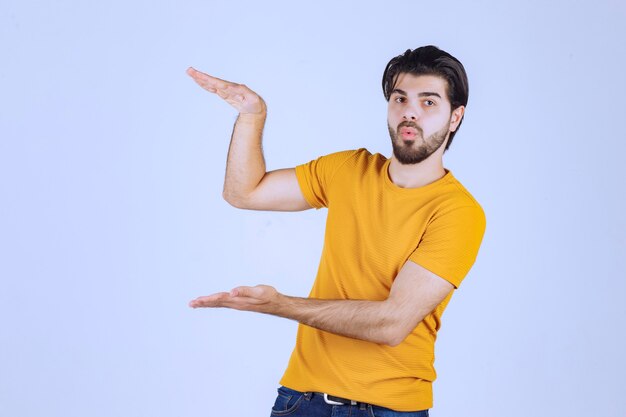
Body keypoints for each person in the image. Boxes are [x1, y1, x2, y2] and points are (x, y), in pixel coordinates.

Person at [187, 45, 486, 417]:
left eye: (428, 103)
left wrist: (280, 305)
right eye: (399, 98)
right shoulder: (349, 169)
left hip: (388, 409)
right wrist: (252, 116)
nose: (409, 111)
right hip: (299, 400)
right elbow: (243, 192)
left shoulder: (457, 213)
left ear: (455, 117)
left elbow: (391, 324)